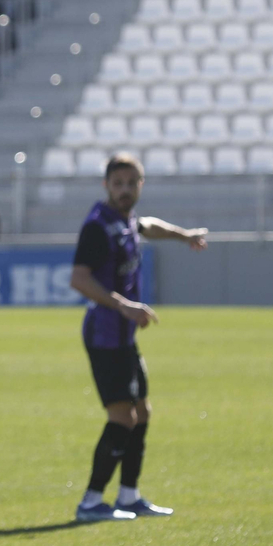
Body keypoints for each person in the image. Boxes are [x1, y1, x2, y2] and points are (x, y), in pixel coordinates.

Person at [69, 153, 206, 522]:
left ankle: (129, 496)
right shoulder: (98, 226)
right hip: (105, 334)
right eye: (118, 184)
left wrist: (185, 236)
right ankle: (91, 501)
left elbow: (148, 226)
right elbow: (79, 279)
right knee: (123, 417)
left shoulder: (125, 220)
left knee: (141, 412)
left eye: (132, 183)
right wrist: (125, 306)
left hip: (124, 336)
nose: (125, 190)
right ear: (106, 186)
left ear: (140, 185)